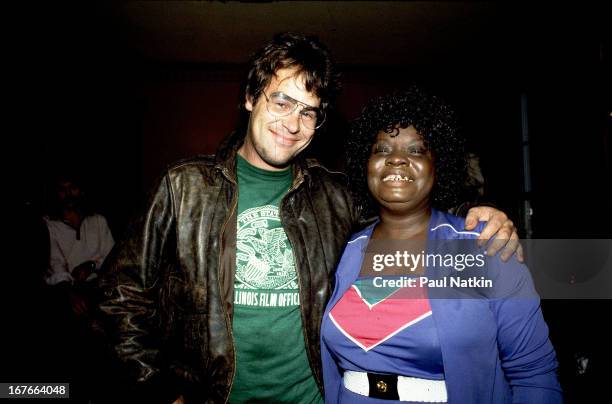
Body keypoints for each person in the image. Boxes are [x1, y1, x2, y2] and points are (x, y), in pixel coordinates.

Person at [97, 33, 521, 404]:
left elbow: (407, 207)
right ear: (249, 98)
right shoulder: (182, 187)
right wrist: (157, 389)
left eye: (308, 111)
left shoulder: (334, 194)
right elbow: (120, 294)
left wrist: (472, 214)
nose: (293, 123)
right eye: (281, 101)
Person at [320, 88, 562, 403]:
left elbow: (534, 376)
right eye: (382, 149)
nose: (396, 158)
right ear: (365, 165)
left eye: (417, 150)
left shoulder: (486, 248)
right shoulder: (344, 251)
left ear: (439, 165)